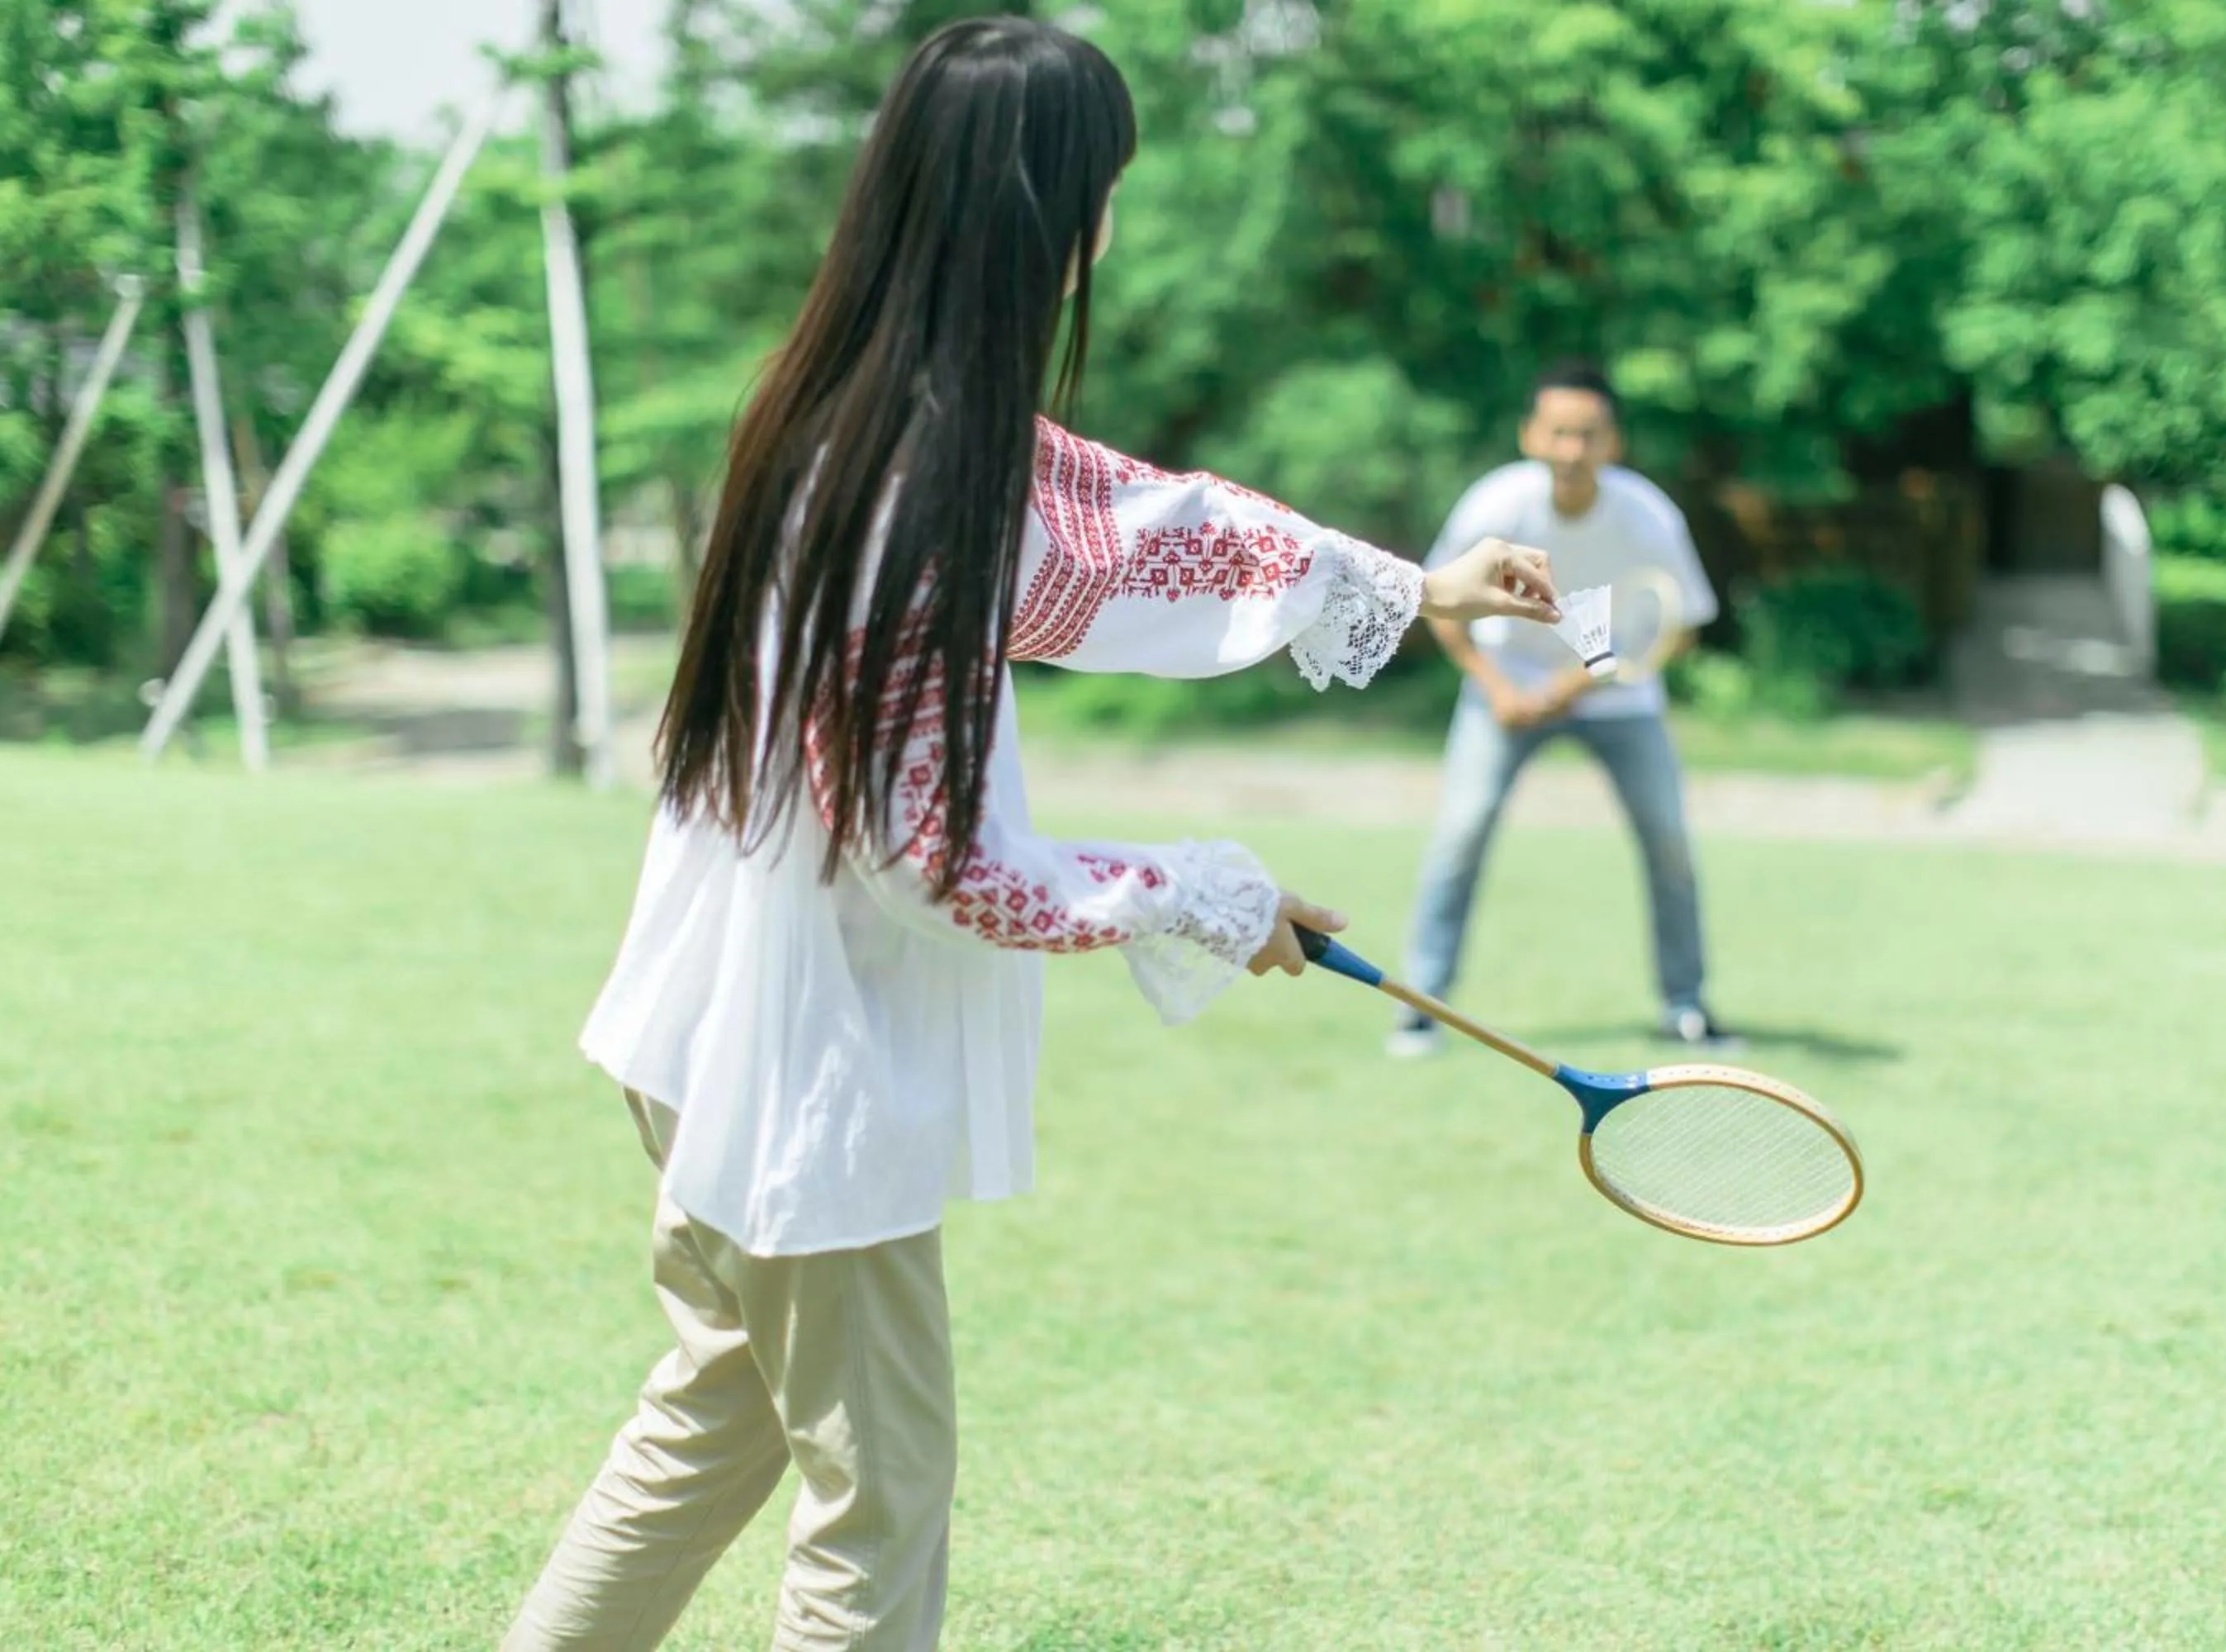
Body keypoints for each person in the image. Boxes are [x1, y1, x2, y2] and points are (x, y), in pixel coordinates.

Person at [499, 19, 1559, 1651]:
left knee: (710, 1429)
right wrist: (1208, 892)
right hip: (804, 1051)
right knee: (878, 1516)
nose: (1113, 224)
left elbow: (1137, 525)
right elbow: (943, 865)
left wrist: (1405, 586)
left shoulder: (870, 407)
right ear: (1046, 212)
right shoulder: (921, 484)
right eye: (1106, 188)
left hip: (713, 1024)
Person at [1390, 361, 1739, 1060]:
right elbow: (1438, 602)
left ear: (1614, 444)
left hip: (1616, 695)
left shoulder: (1648, 517)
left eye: (1589, 435)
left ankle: (1686, 1006)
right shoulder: (1495, 506)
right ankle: (1422, 1006)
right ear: (1530, 436)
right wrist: (1496, 686)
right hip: (1506, 686)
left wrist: (1576, 686)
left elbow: (1679, 626)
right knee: (1461, 833)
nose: (1572, 450)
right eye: (1559, 433)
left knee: (1669, 841)